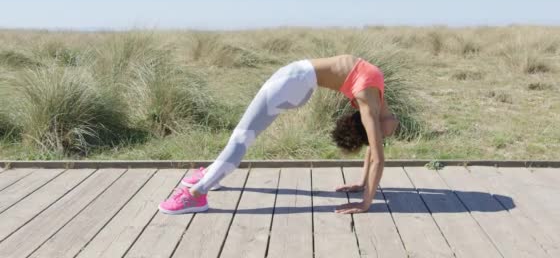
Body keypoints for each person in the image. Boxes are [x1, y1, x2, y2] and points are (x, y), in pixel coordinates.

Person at [158, 54, 399, 215]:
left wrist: (365, 194)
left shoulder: (372, 96)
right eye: (379, 135)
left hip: (293, 82)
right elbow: (375, 152)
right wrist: (364, 190)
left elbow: (375, 153)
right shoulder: (373, 97)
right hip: (294, 82)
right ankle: (211, 175)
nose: (382, 139)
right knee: (241, 135)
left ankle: (197, 194)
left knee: (242, 137)